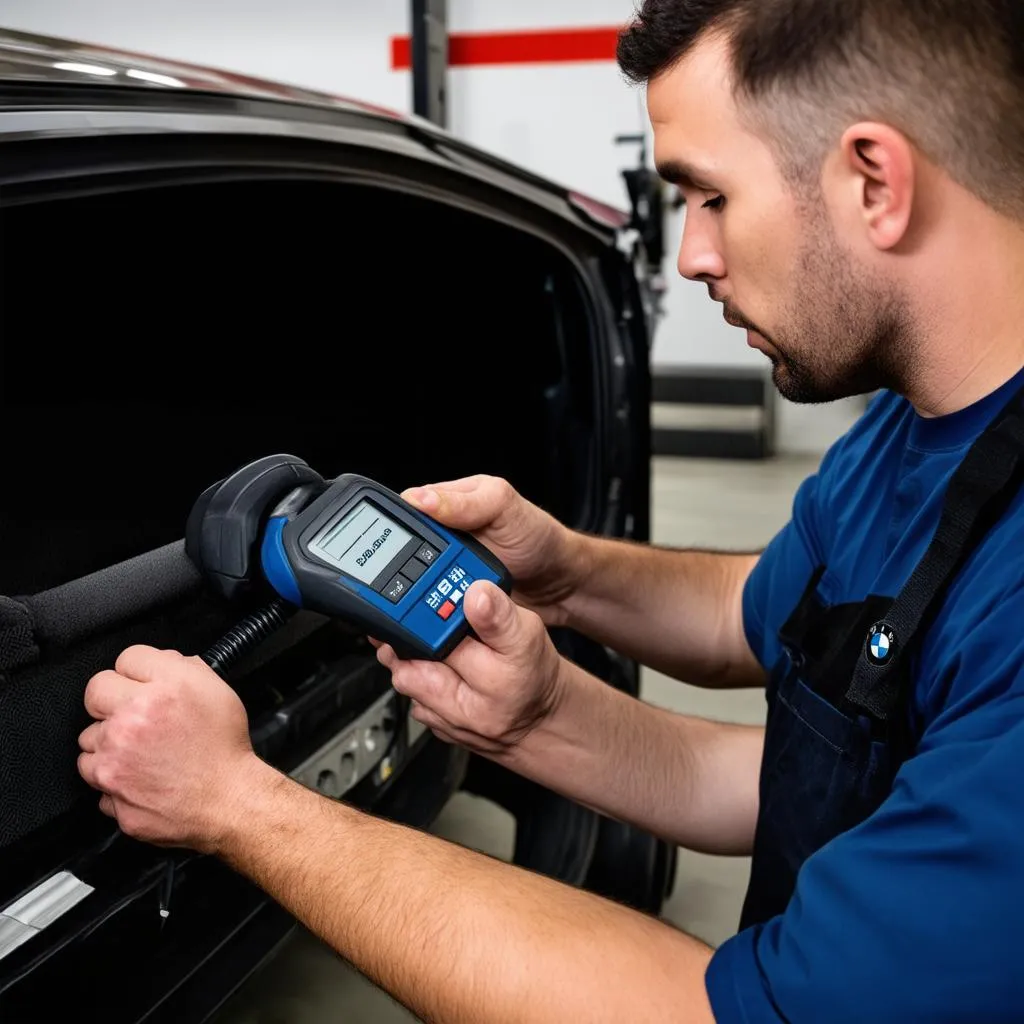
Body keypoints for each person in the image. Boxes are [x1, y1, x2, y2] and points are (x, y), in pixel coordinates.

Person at [77, 0, 1024, 1019]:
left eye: (707, 195)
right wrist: (561, 610)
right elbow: (766, 687)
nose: (693, 256)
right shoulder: (914, 423)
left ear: (872, 182)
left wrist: (241, 806)